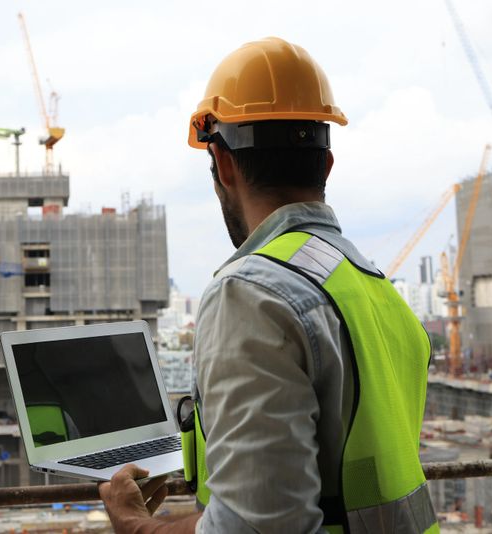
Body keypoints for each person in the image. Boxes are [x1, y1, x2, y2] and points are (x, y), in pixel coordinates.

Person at [99, 37, 438, 533]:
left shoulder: (252, 294)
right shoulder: (374, 286)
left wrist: (135, 525)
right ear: (326, 165)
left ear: (225, 164)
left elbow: (256, 528)